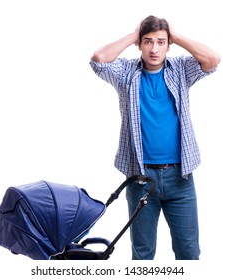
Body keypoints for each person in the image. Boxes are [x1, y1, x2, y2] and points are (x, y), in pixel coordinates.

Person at [89, 15, 220, 260]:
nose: (154, 48)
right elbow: (98, 60)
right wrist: (133, 35)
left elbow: (212, 60)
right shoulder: (126, 72)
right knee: (142, 254)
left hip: (180, 177)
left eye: (161, 42)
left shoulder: (180, 69)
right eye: (148, 42)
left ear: (168, 45)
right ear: (140, 44)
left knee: (189, 253)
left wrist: (175, 35)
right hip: (141, 178)